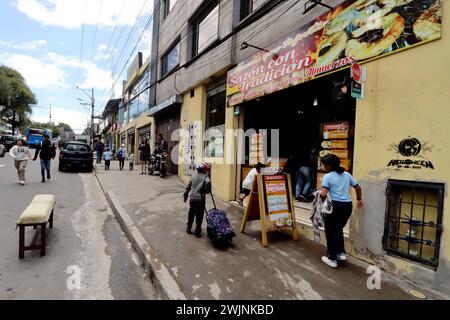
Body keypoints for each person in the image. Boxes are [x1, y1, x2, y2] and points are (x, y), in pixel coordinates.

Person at [319, 154, 363, 269]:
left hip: (334, 206)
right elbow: (358, 188)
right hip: (347, 206)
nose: (322, 166)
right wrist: (359, 199)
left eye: (323, 165)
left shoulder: (327, 176)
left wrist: (318, 194)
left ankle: (332, 258)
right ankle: (341, 253)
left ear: (328, 166)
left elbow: (323, 194)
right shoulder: (347, 174)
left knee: (330, 231)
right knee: (338, 229)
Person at [183, 162, 211, 238]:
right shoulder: (205, 177)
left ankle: (188, 228)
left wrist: (185, 196)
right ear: (203, 170)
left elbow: (188, 187)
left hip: (192, 199)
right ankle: (197, 232)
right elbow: (208, 182)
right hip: (200, 200)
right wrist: (207, 190)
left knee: (191, 213)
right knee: (199, 215)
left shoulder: (193, 176)